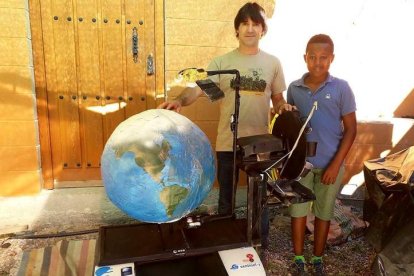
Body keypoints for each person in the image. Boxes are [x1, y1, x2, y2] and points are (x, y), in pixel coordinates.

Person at [158, 2, 287, 247]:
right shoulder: (222, 62)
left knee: (259, 198)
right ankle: (226, 244)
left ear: (263, 30)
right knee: (226, 198)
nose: (250, 29)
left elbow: (279, 99)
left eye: (255, 24)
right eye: (244, 24)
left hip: (260, 146)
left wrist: (284, 108)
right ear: (236, 30)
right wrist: (178, 101)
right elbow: (197, 90)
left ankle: (260, 244)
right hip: (228, 142)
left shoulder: (273, 63)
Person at [282, 34, 357, 276]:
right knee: (298, 211)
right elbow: (291, 125)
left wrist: (336, 165)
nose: (317, 62)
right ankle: (299, 259)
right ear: (305, 58)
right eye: (312, 57)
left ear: (331, 58)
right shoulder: (294, 88)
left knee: (324, 212)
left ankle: (317, 259)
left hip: (329, 165)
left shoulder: (341, 88)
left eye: (323, 57)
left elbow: (352, 129)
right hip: (301, 166)